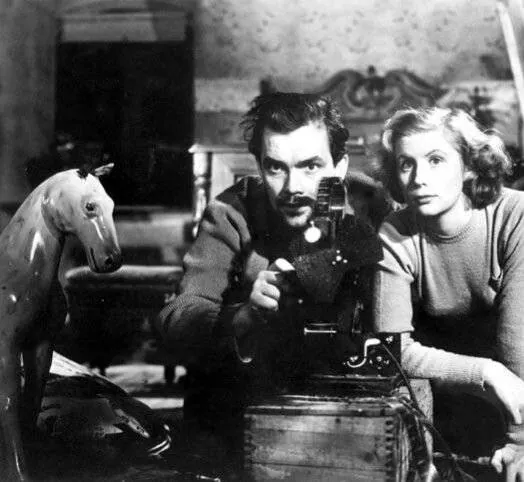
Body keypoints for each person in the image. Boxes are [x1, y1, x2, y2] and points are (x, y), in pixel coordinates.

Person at [155, 92, 390, 471]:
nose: (292, 187)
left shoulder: (374, 203)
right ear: (259, 165)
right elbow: (177, 316)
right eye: (276, 168)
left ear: (340, 165)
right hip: (254, 400)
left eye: (311, 166)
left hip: (350, 395)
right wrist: (243, 316)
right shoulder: (230, 211)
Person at [372, 106, 524, 480]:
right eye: (406, 164)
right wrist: (484, 371)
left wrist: (519, 442)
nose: (419, 178)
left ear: (470, 166)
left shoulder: (514, 215)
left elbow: (517, 341)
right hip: (453, 391)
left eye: (436, 160)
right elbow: (392, 349)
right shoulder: (395, 233)